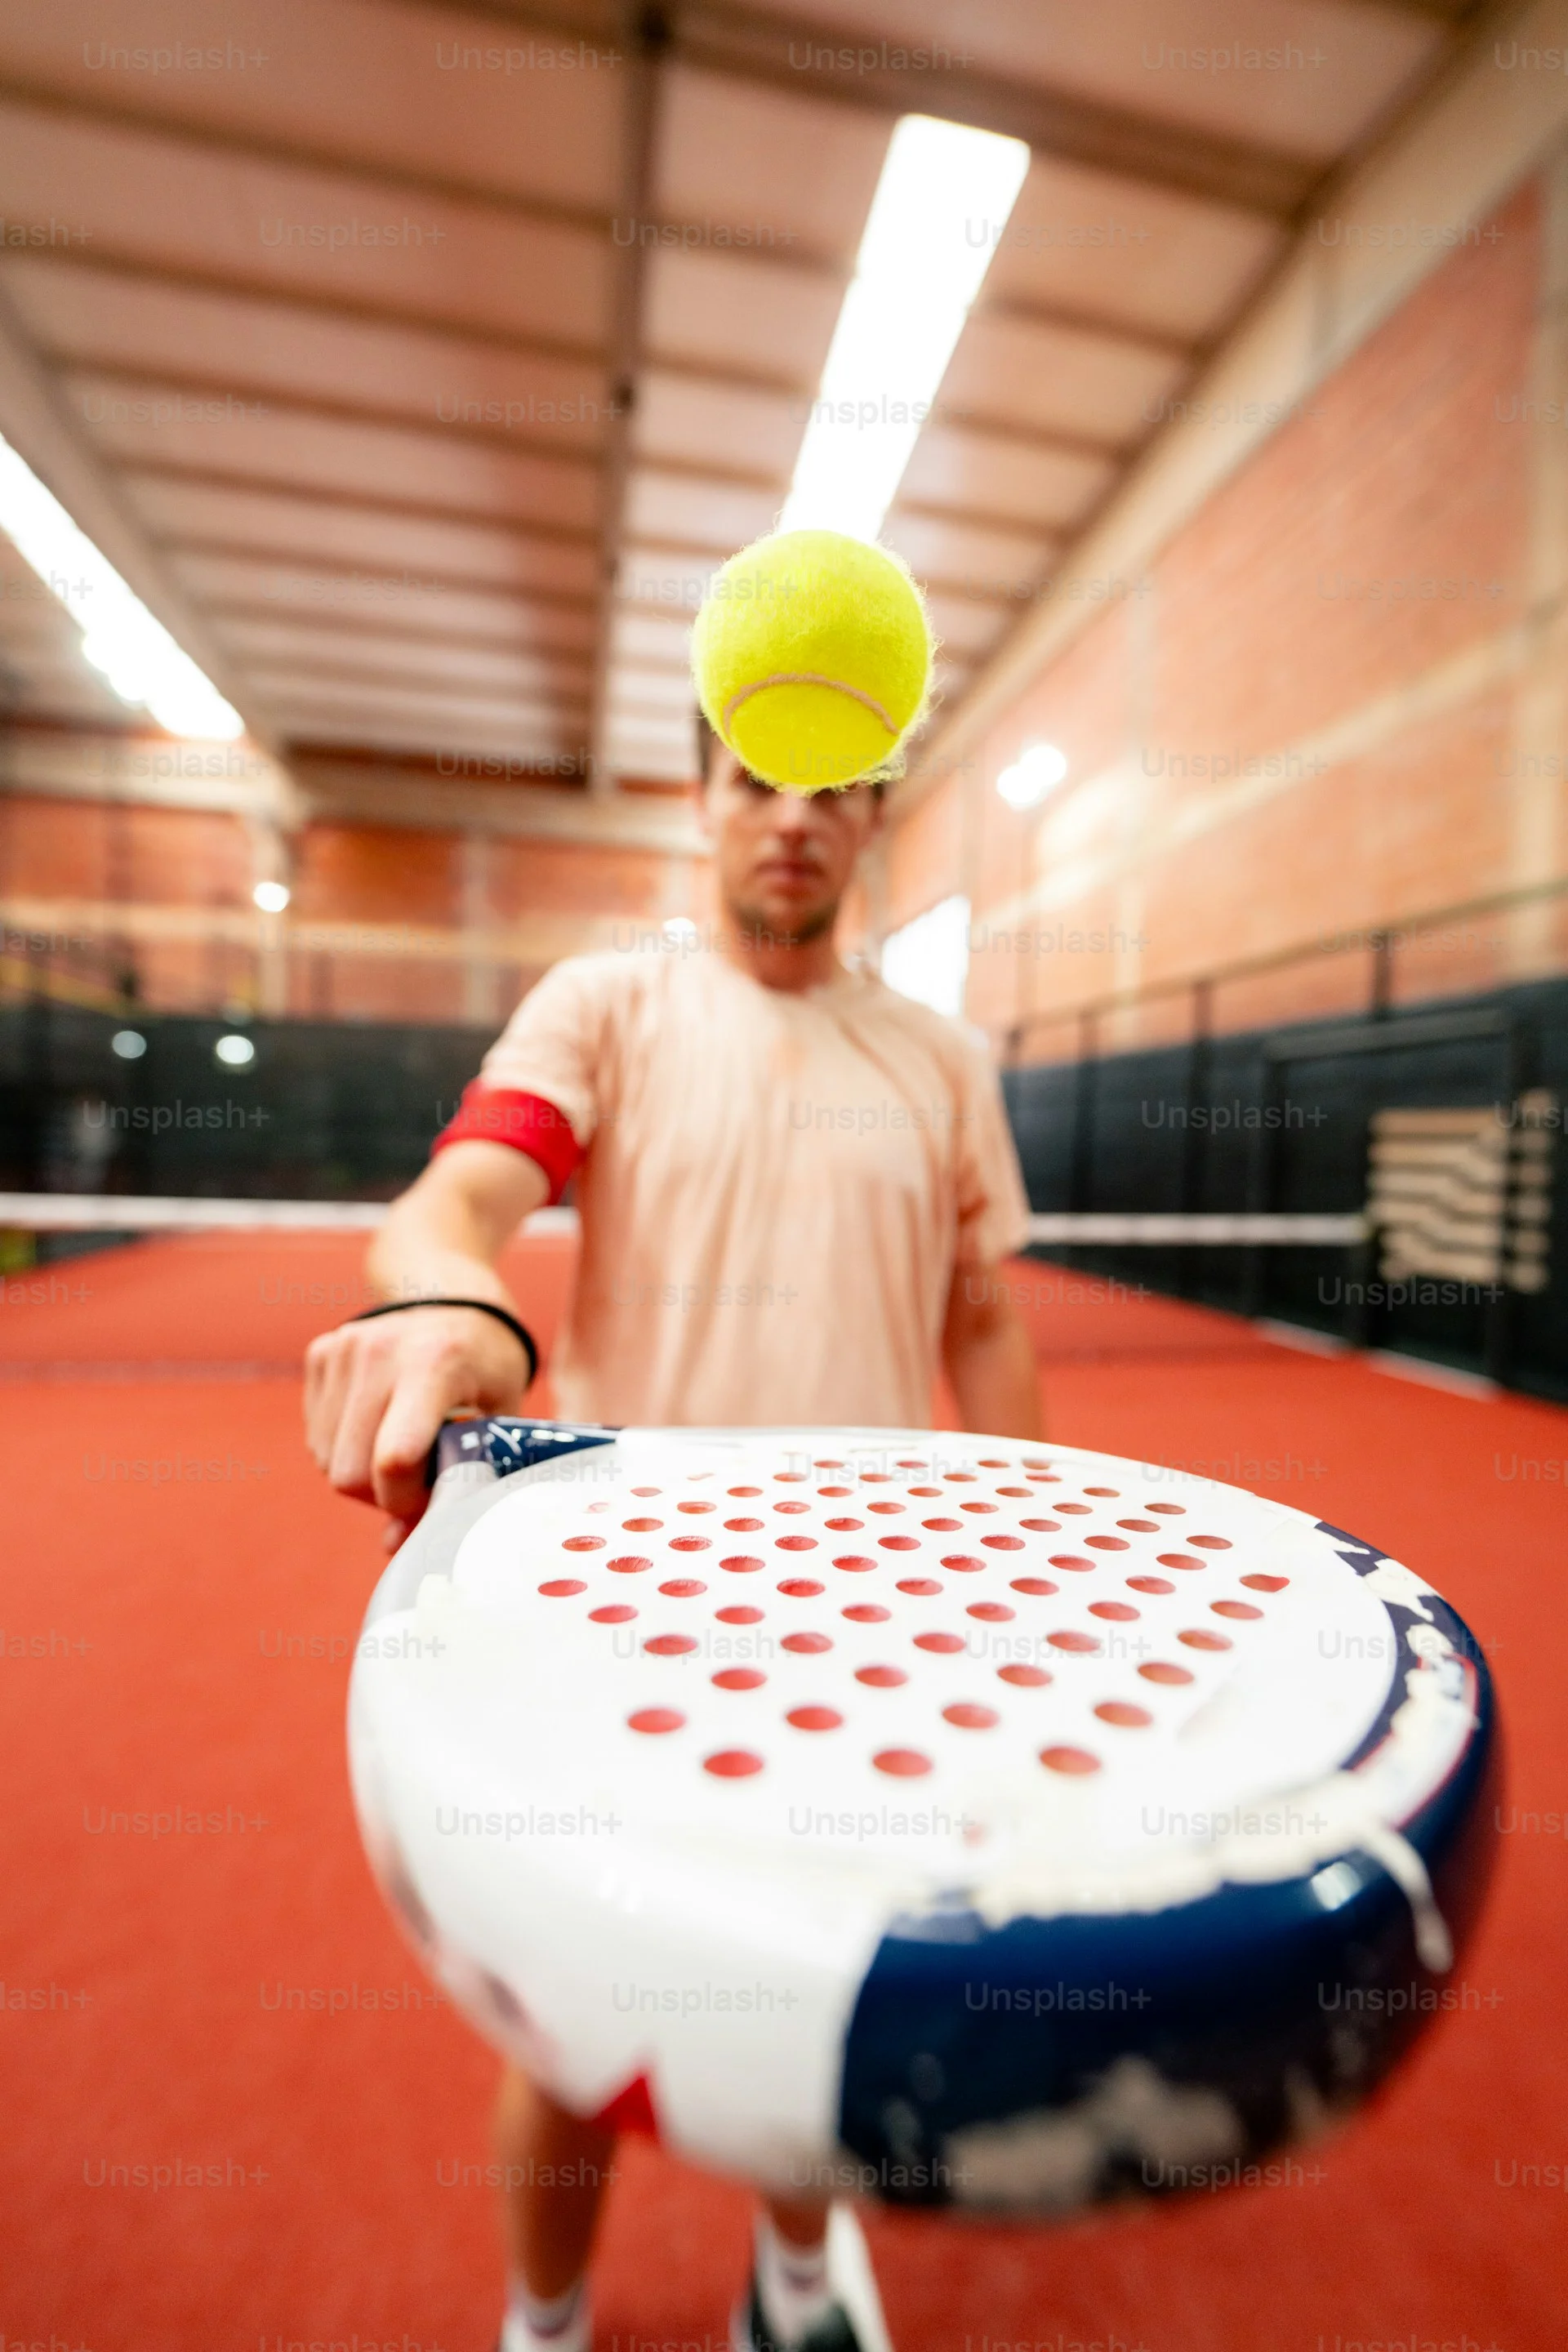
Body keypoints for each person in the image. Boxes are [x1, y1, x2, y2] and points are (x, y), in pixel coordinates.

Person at [304, 728, 1041, 2352]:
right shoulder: (606, 1007)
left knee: (827, 1978)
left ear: (869, 819)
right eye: (757, 779)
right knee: (571, 2023)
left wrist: (1033, 1546)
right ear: (701, 798)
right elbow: (461, 1205)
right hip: (626, 1605)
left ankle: (794, 2285)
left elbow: (983, 1330)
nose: (792, 818)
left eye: (833, 787)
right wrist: (446, 1297)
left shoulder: (942, 1063)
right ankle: (546, 2323)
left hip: (877, 1610)